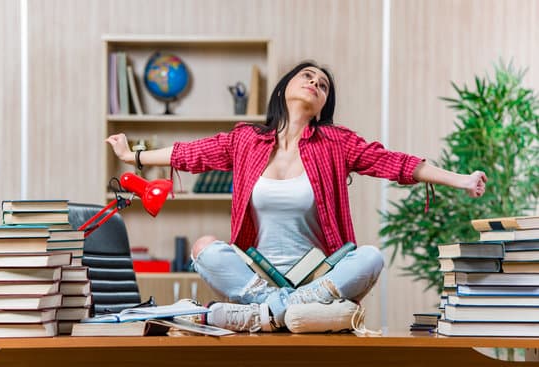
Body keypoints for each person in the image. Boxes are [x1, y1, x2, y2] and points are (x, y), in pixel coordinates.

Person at [106, 61, 487, 333]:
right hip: (258, 273)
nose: (315, 83)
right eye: (307, 76)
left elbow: (395, 163)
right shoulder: (246, 140)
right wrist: (132, 156)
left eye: (323, 85)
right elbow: (191, 153)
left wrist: (462, 179)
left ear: (324, 105)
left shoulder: (337, 143)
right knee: (205, 247)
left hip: (320, 275)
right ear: (284, 88)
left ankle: (263, 316)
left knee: (370, 257)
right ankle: (282, 308)